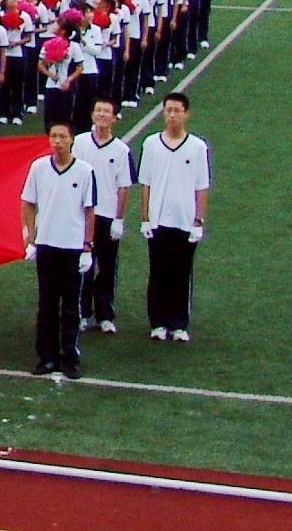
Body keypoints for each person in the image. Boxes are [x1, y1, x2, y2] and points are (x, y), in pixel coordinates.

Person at [20, 117, 97, 376]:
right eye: (53, 136)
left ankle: (70, 358)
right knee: (47, 304)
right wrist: (31, 236)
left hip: (72, 247)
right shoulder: (39, 168)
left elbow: (89, 211)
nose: (57, 141)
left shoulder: (85, 171)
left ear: (71, 139)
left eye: (62, 136)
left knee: (70, 307)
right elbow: (28, 202)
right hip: (47, 245)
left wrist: (87, 246)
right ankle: (47, 356)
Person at [137, 91, 212, 342]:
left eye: (176, 110)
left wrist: (198, 221)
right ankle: (157, 322)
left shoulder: (197, 147)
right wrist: (145, 218)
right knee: (158, 272)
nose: (171, 115)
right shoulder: (151, 144)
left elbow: (202, 186)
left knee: (181, 272)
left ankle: (178, 323)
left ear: (186, 114)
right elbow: (145, 183)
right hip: (158, 221)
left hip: (184, 220)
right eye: (168, 110)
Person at [75, 96, 132, 333]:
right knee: (83, 266)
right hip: (82, 216)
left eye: (106, 112)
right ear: (92, 114)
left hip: (107, 215)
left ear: (114, 118)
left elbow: (123, 187)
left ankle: (105, 314)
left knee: (107, 267)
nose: (101, 115)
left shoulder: (121, 150)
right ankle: (82, 312)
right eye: (98, 110)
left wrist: (119, 219)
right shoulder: (79, 143)